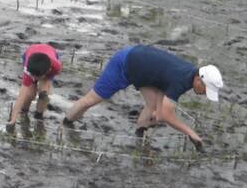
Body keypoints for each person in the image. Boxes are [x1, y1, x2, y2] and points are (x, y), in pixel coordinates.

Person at [62, 46, 223, 151]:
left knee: (153, 105)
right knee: (91, 100)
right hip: (124, 64)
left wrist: (158, 115)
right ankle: (67, 123)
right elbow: (167, 116)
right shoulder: (181, 81)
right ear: (198, 79)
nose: (204, 94)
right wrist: (191, 133)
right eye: (205, 89)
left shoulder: (189, 74)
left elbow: (162, 111)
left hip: (145, 71)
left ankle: (139, 134)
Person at [6, 44, 63, 129]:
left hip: (50, 57)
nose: (33, 78)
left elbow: (53, 74)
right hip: (30, 53)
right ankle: (24, 111)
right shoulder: (28, 71)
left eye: (37, 77)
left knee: (43, 93)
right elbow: (21, 96)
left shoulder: (56, 67)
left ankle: (38, 115)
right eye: (32, 76)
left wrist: (47, 86)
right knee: (29, 94)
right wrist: (12, 120)